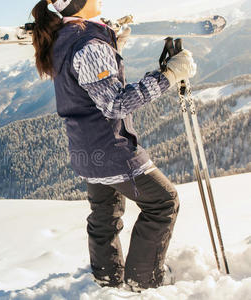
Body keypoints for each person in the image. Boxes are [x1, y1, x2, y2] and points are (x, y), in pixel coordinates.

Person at [31, 0, 197, 291]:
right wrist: (169, 75)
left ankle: (106, 282)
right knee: (163, 202)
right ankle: (142, 281)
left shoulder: (62, 37)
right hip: (112, 151)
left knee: (104, 213)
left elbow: (86, 83)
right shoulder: (89, 45)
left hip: (86, 152)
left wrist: (112, 43)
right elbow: (115, 104)